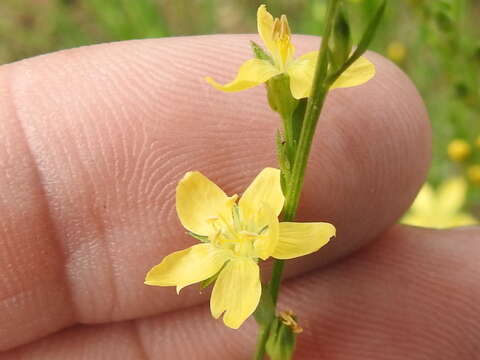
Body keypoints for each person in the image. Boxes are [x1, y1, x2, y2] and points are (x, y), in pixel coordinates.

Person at [0, 35, 477, 359]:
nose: (235, 232)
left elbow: (273, 193)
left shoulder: (265, 214)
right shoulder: (235, 240)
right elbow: (215, 201)